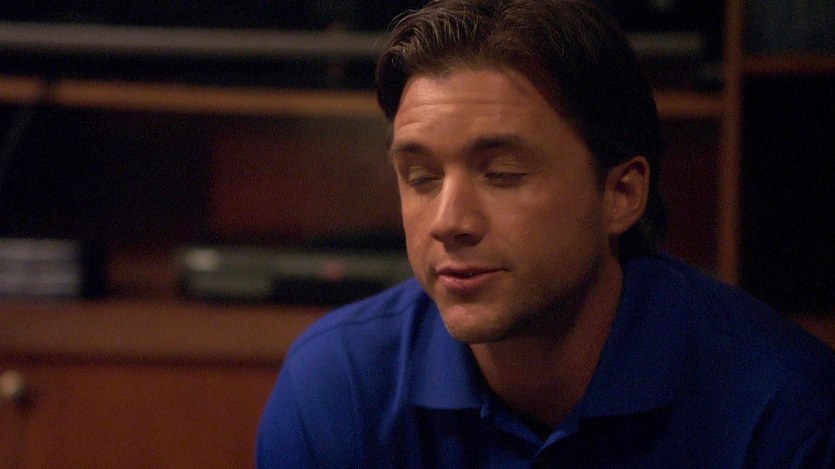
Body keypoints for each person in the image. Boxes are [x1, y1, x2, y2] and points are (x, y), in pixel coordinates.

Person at [257, 0, 835, 466]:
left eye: (503, 174)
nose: (448, 222)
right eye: (421, 178)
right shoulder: (339, 386)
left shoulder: (786, 410)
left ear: (621, 195)